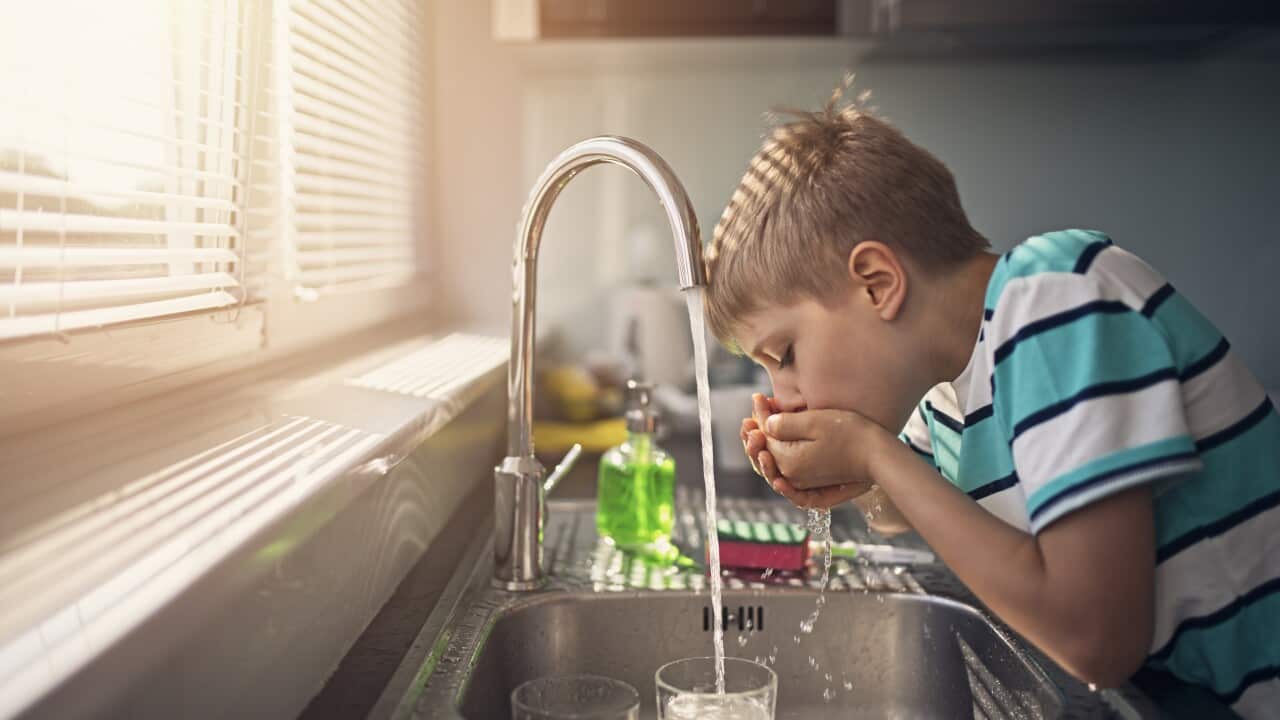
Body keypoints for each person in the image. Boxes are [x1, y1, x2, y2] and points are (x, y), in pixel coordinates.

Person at [704, 82, 1280, 718]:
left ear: (876, 284)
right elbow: (900, 507)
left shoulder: (1053, 298)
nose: (782, 398)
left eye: (784, 355)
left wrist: (869, 453)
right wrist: (845, 474)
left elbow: (1097, 642)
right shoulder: (947, 385)